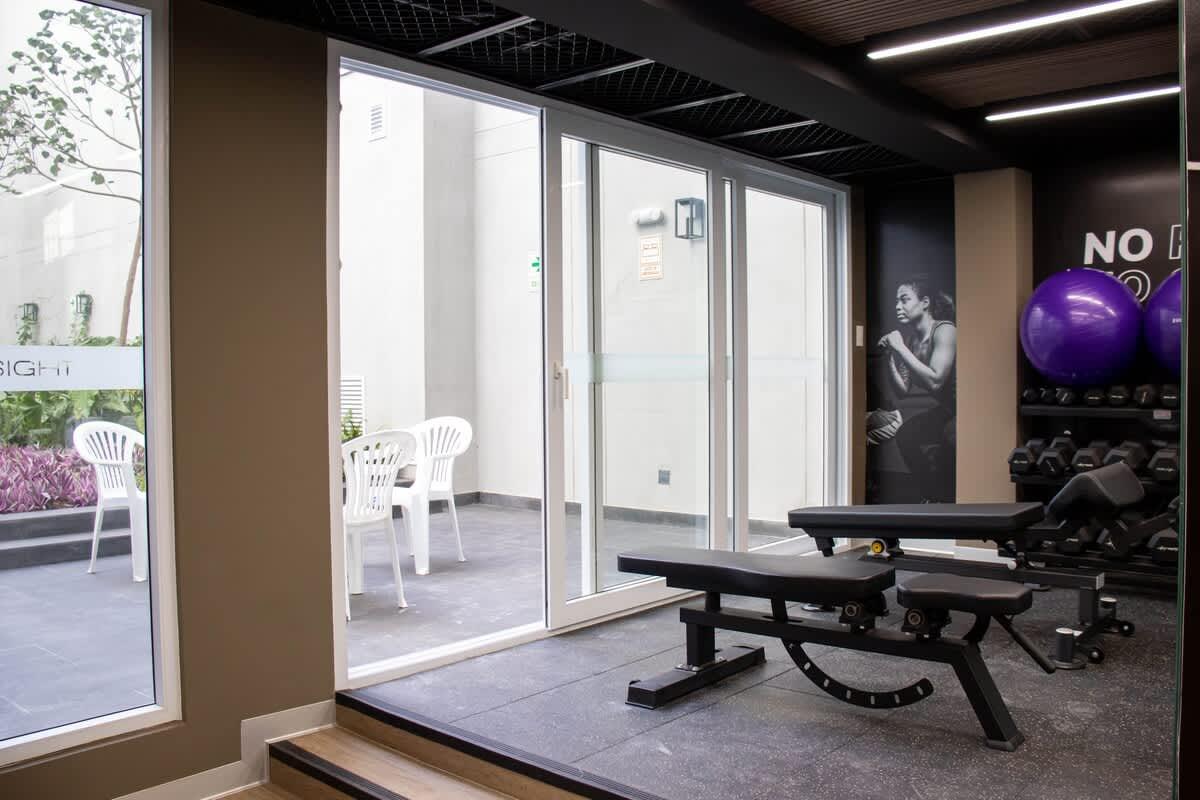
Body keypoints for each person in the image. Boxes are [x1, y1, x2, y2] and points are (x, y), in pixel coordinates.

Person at [874, 275, 957, 502]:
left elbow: (936, 380)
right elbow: (902, 391)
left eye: (904, 299)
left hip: (968, 410)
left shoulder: (945, 330)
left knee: (949, 438)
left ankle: (946, 499)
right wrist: (891, 355)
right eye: (896, 301)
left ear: (925, 303)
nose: (897, 306)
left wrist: (900, 348)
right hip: (948, 410)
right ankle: (931, 497)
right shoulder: (911, 342)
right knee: (906, 435)